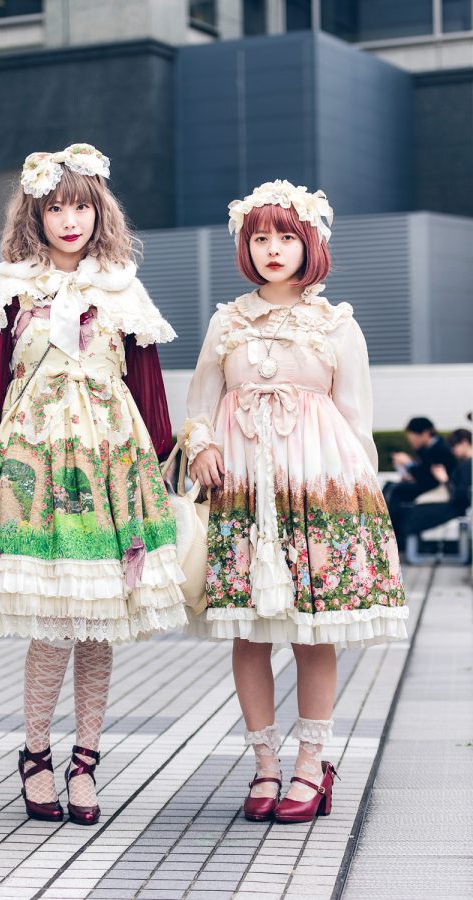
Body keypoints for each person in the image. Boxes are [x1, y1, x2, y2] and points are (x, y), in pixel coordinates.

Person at [0, 143, 186, 826]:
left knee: (99, 622)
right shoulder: (11, 290)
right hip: (32, 471)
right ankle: (35, 753)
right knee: (53, 622)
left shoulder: (122, 289)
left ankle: (86, 759)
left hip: (113, 471)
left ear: (98, 210)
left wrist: (163, 476)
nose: (70, 219)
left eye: (81, 205)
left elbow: (150, 394)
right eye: (56, 207)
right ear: (36, 215)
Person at [183, 180, 408, 825]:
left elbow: (357, 419)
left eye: (286, 237)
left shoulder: (338, 324)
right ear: (245, 246)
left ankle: (312, 764)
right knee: (249, 635)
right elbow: (198, 404)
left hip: (319, 489)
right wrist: (199, 448)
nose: (272, 249)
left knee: (313, 633)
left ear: (310, 244)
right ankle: (264, 766)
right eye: (260, 237)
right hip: (240, 493)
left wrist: (365, 506)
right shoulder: (226, 321)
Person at [383, 416, 457, 549]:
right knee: (391, 487)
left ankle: (391, 536)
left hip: (438, 490)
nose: (411, 441)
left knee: (394, 491)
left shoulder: (440, 449)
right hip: (428, 486)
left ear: (425, 433)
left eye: (413, 437)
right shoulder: (428, 448)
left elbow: (429, 479)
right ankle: (389, 533)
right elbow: (424, 474)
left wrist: (409, 464)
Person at [403, 428, 471, 539]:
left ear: (464, 442)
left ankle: (414, 549)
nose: (453, 451)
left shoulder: (468, 464)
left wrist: (444, 479)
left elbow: (461, 495)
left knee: (414, 512)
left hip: (457, 507)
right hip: (457, 505)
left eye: (454, 446)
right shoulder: (466, 463)